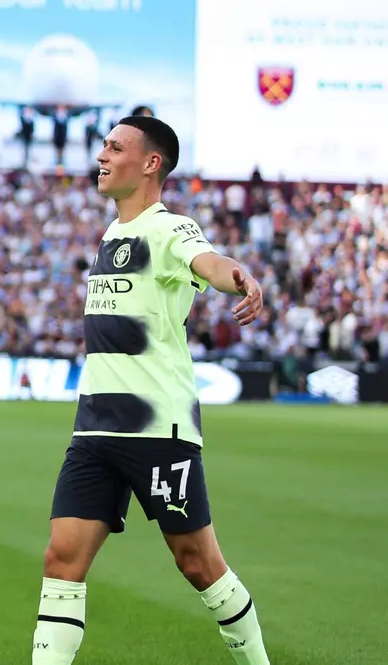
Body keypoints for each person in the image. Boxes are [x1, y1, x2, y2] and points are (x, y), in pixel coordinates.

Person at [30, 116, 269, 664]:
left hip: (156, 428)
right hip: (94, 429)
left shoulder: (169, 227)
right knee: (61, 559)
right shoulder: (112, 234)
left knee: (197, 562)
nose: (102, 155)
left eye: (115, 147)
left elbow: (208, 261)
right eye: (104, 146)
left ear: (151, 162)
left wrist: (241, 278)